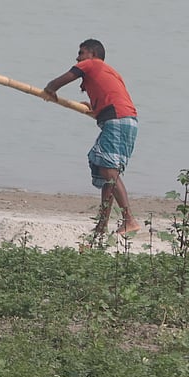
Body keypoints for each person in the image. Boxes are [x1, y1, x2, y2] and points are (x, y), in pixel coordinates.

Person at [43, 39, 140, 237]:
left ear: (92, 54)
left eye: (81, 53)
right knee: (105, 171)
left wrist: (50, 90)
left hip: (117, 120)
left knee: (108, 169)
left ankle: (129, 219)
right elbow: (112, 97)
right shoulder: (109, 72)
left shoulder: (91, 64)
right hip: (125, 121)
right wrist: (95, 107)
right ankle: (101, 227)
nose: (77, 58)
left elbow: (57, 82)